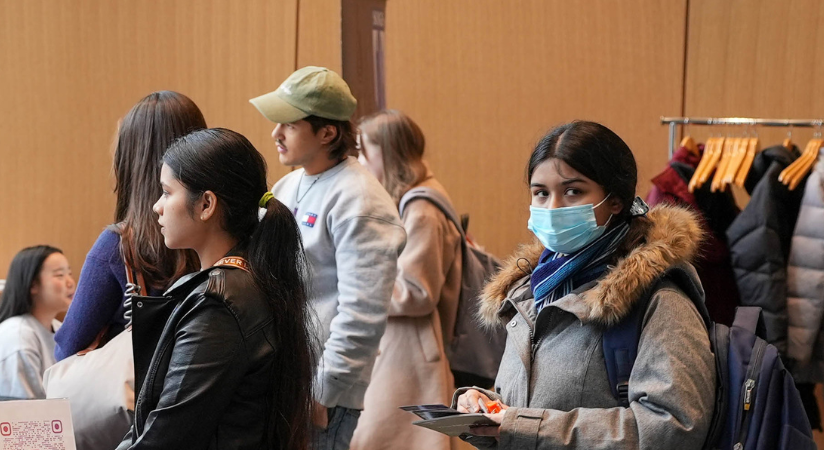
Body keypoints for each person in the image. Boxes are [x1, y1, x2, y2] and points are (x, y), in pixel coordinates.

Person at [454, 121, 716, 448]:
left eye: (573, 191)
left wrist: (522, 427)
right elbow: (539, 403)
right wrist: (485, 408)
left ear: (615, 200)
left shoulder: (658, 299)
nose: (552, 207)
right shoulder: (531, 290)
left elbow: (674, 426)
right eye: (541, 193)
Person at [119, 127, 318, 449]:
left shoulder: (220, 304)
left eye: (168, 193)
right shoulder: (242, 280)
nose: (157, 206)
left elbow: (167, 436)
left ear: (206, 204)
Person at [252, 65, 401, 447]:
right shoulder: (288, 185)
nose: (276, 133)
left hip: (320, 395)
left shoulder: (360, 199)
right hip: (282, 380)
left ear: (327, 132)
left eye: (289, 123)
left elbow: (362, 313)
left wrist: (323, 391)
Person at [55, 91, 205, 361]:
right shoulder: (223, 237)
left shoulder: (117, 247)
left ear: (130, 158)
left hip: (140, 400)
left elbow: (68, 349)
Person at [350, 110, 457, 450]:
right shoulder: (409, 198)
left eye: (364, 150)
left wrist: (355, 286)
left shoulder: (422, 208)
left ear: (388, 151)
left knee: (382, 439)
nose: (359, 161)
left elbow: (416, 291)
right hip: (400, 347)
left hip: (409, 352)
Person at [0, 245, 75, 399]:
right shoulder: (17, 336)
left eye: (70, 273)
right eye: (60, 275)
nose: (71, 282)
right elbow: (25, 412)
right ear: (33, 284)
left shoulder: (59, 328)